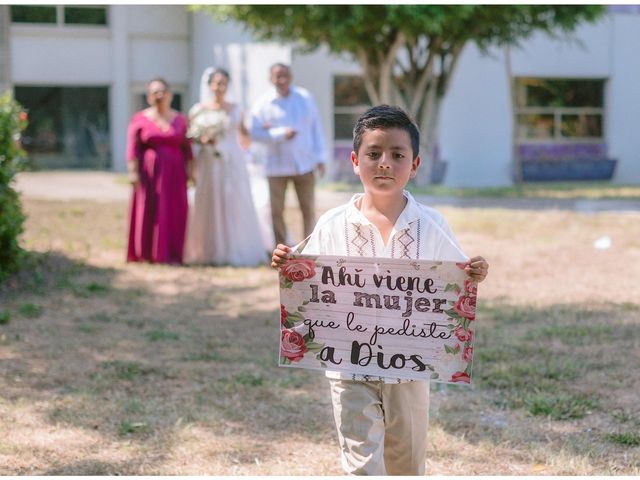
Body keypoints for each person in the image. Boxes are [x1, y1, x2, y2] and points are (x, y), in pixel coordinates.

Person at [271, 105, 489, 475]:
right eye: (373, 154)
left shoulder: (431, 225)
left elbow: (454, 283)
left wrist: (475, 273)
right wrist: (285, 261)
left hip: (411, 370)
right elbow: (306, 280)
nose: (384, 163)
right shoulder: (333, 223)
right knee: (362, 464)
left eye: (397, 155)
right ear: (355, 160)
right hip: (349, 368)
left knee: (406, 461)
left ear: (415, 165)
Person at [183, 67, 266, 266]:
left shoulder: (236, 109)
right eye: (217, 83)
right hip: (208, 160)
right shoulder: (198, 110)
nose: (220, 87)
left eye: (224, 83)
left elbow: (245, 138)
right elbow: (190, 138)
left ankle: (234, 248)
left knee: (233, 200)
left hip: (231, 160)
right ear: (210, 85)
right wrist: (204, 139)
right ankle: (208, 250)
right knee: (209, 200)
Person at [250, 63, 327, 248]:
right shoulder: (262, 103)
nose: (282, 79)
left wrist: (321, 158)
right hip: (276, 166)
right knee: (276, 211)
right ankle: (282, 250)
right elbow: (253, 133)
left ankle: (309, 248)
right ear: (270, 78)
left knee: (308, 209)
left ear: (291, 76)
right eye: (277, 76)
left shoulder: (305, 97)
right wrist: (279, 134)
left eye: (285, 75)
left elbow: (316, 128)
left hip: (304, 162)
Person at [126, 78, 192, 264]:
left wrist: (191, 172)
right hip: (149, 173)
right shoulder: (139, 119)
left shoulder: (180, 119)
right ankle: (146, 252)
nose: (159, 95)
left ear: (170, 95)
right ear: (148, 97)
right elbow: (133, 147)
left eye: (162, 91)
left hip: (175, 174)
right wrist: (133, 171)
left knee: (174, 210)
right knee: (148, 209)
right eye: (155, 92)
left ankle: (171, 253)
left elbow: (187, 148)